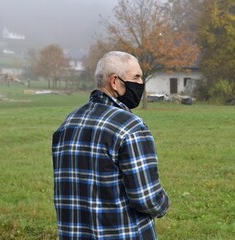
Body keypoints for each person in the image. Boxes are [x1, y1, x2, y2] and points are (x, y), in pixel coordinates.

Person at [52, 51, 170, 240]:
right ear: (115, 82)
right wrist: (164, 204)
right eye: (136, 77)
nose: (141, 84)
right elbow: (148, 199)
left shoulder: (67, 124)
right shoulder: (131, 127)